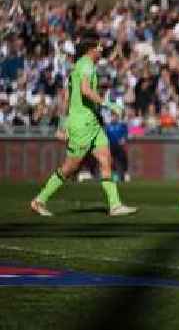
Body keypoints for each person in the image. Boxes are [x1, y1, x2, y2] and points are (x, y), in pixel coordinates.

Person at [29, 33, 137, 217]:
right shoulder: (86, 65)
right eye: (100, 47)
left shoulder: (79, 67)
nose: (102, 50)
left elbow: (68, 98)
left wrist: (63, 123)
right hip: (82, 125)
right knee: (70, 167)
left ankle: (115, 205)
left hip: (92, 124)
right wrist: (108, 104)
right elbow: (86, 91)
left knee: (105, 160)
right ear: (91, 49)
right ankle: (39, 200)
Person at [105, 109, 130, 182]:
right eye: (112, 116)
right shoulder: (108, 127)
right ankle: (114, 175)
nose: (113, 118)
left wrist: (123, 139)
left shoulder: (121, 126)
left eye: (115, 116)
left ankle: (123, 175)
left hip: (119, 146)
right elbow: (105, 136)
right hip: (111, 146)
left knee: (122, 160)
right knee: (111, 161)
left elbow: (125, 134)